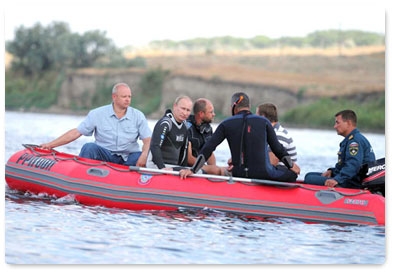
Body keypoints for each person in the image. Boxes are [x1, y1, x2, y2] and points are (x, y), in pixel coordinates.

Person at [179, 92, 300, 181]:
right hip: (264, 174)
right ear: (248, 105)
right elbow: (278, 149)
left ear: (233, 106)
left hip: (238, 173)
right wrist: (291, 165)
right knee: (292, 174)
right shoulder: (264, 122)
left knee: (225, 169)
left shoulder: (226, 123)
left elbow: (208, 148)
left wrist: (192, 170)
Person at [40, 82, 152, 167]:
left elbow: (148, 140)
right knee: (89, 147)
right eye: (124, 97)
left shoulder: (138, 116)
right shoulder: (97, 114)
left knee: (143, 155)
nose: (127, 100)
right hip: (105, 154)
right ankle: (81, 178)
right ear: (114, 97)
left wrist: (144, 154)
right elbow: (76, 132)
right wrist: (50, 145)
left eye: (129, 96)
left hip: (129, 157)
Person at [304, 109, 376, 188]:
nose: (335, 126)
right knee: (310, 175)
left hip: (352, 181)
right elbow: (346, 165)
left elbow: (353, 165)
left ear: (348, 123)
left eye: (337, 123)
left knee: (309, 178)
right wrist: (332, 171)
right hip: (350, 178)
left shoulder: (354, 142)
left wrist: (337, 180)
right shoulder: (354, 139)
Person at [146, 95, 193, 171]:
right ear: (175, 106)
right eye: (183, 108)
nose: (185, 113)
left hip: (172, 167)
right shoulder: (166, 123)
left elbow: (184, 151)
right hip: (156, 165)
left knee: (199, 171)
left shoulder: (185, 126)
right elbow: (155, 146)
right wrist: (162, 168)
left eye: (188, 110)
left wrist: (182, 169)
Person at [186, 98, 224, 175]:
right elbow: (188, 158)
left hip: (199, 167)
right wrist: (207, 168)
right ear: (201, 114)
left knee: (218, 170)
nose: (214, 114)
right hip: (186, 167)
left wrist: (213, 168)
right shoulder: (187, 128)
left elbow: (209, 153)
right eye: (211, 112)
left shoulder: (208, 129)